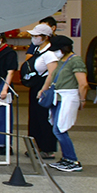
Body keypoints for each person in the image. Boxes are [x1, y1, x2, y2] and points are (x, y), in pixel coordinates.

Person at [38, 35, 89, 172]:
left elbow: (83, 84)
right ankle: (66, 158)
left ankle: (72, 160)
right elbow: (53, 77)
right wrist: (44, 89)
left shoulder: (75, 61)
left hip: (67, 97)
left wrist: (82, 100)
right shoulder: (62, 60)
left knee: (60, 130)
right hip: (58, 97)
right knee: (57, 127)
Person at [22, 23, 57, 158]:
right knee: (35, 117)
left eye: (36, 36)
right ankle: (35, 145)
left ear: (45, 37)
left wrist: (44, 89)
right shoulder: (38, 50)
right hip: (36, 86)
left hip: (44, 87)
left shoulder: (50, 53)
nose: (33, 38)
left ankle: (47, 148)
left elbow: (52, 73)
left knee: (44, 118)